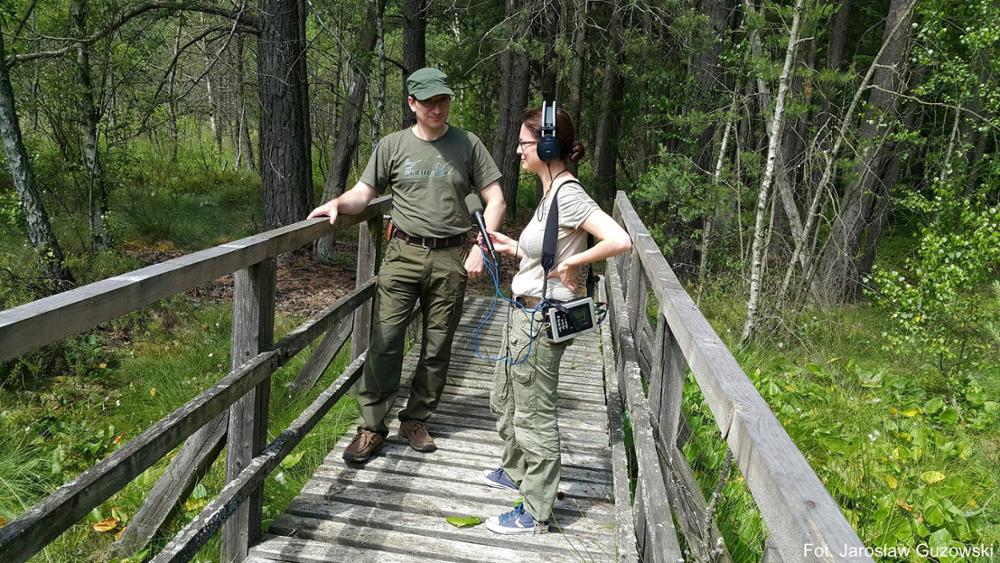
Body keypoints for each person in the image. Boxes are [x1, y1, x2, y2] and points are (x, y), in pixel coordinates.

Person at [308, 67, 505, 464]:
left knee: (437, 344)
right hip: (403, 254)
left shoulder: (468, 144)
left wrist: (481, 247)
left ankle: (416, 418)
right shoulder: (392, 145)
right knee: (385, 340)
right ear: (412, 103)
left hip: (452, 255)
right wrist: (337, 204)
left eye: (443, 100)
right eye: (429, 101)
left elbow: (495, 198)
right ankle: (372, 427)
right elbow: (365, 193)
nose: (437, 108)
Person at [480, 107, 631, 534]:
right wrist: (514, 248)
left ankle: (536, 510)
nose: (518, 151)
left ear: (547, 147)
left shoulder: (568, 193)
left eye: (525, 144)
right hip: (523, 311)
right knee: (504, 399)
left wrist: (575, 264)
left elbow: (620, 240)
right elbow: (549, 246)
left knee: (533, 416)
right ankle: (516, 470)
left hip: (542, 322)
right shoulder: (549, 194)